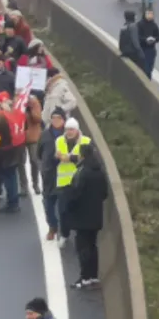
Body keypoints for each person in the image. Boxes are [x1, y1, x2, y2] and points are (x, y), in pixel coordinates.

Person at [62, 142, 108, 288]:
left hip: (82, 217)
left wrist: (68, 205)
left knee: (83, 247)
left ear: (82, 155)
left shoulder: (82, 172)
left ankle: (85, 277)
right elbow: (104, 194)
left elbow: (75, 195)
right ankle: (94, 276)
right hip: (96, 217)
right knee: (93, 245)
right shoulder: (100, 172)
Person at [54, 117, 91, 246]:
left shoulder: (86, 141)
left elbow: (86, 158)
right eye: (67, 129)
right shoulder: (59, 140)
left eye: (72, 129)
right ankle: (64, 234)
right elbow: (60, 157)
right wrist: (73, 158)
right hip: (63, 182)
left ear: (77, 130)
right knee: (63, 210)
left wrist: (69, 157)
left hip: (80, 182)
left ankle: (79, 236)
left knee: (79, 211)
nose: (69, 132)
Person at [37, 108, 67, 240]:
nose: (56, 121)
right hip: (48, 174)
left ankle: (64, 231)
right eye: (53, 118)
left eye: (58, 118)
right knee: (48, 203)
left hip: (64, 174)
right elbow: (39, 152)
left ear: (63, 120)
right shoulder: (44, 135)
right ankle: (52, 227)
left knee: (63, 205)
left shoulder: (69, 135)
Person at [137, 8, 159, 76]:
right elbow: (137, 36)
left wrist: (154, 39)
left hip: (151, 49)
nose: (150, 15)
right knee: (144, 68)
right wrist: (145, 40)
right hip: (142, 49)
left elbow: (158, 36)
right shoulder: (139, 24)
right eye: (148, 14)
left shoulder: (154, 25)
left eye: (151, 14)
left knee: (150, 67)